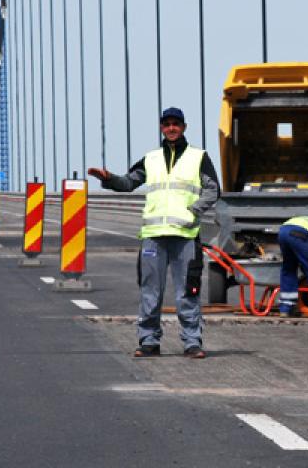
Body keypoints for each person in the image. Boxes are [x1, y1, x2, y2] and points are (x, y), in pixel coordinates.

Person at [88, 107, 220, 358]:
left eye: (175, 124)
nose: (171, 128)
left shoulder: (198, 157)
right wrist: (109, 178)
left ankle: (192, 342)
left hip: (185, 235)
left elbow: (213, 190)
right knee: (150, 291)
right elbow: (128, 183)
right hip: (153, 235)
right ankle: (148, 341)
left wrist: (193, 210)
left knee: (188, 291)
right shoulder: (151, 159)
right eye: (167, 124)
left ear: (184, 127)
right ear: (161, 128)